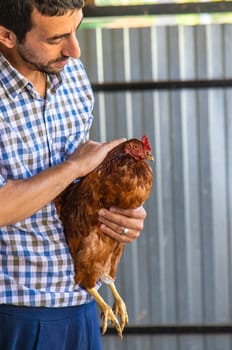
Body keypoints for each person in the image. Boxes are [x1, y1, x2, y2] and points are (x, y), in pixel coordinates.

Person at [0, 1, 147, 349]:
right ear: (6, 35)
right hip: (17, 310)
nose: (75, 49)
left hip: (81, 301)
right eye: (56, 38)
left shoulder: (72, 75)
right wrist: (74, 167)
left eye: (76, 30)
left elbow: (78, 186)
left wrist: (123, 213)